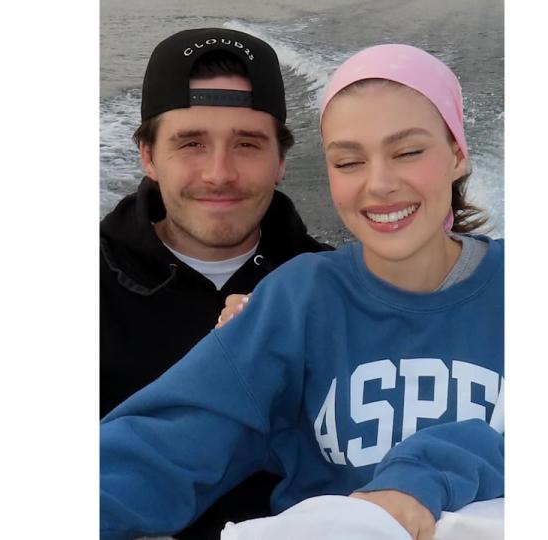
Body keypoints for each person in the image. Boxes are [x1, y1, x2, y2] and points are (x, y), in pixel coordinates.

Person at [101, 43, 504, 540]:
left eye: (408, 152)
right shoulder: (297, 299)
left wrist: (426, 476)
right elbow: (163, 447)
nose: (379, 183)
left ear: (459, 154)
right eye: (348, 161)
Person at [99, 27, 330, 539]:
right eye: (191, 143)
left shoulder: (335, 293)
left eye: (247, 143)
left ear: (281, 160)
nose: (219, 173)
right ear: (148, 155)